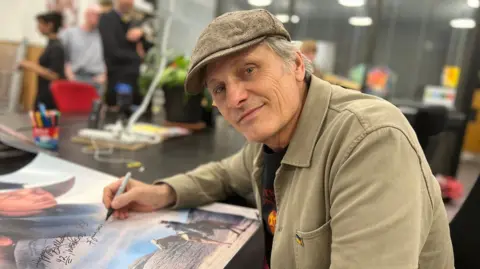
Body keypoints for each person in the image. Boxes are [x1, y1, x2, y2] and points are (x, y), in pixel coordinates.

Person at [102, 9, 454, 269]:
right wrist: (160, 193)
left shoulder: (369, 141)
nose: (235, 97)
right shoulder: (272, 134)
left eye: (249, 70)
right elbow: (225, 174)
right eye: (220, 88)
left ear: (297, 65)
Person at [98, 0, 143, 109]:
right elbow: (112, 51)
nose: (129, 2)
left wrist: (141, 33)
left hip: (135, 79)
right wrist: (138, 57)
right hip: (117, 78)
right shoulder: (107, 19)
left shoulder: (135, 21)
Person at [18, 12, 65, 110]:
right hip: (42, 92)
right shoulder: (51, 44)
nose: (38, 28)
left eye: (40, 24)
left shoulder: (57, 47)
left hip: (49, 97)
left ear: (50, 25)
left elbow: (54, 75)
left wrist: (31, 66)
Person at [59, 4, 106, 96]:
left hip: (97, 79)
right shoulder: (70, 33)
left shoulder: (103, 35)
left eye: (99, 15)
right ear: (86, 14)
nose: (97, 17)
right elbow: (62, 56)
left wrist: (104, 75)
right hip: (75, 78)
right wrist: (69, 74)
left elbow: (108, 56)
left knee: (93, 109)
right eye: (94, 14)